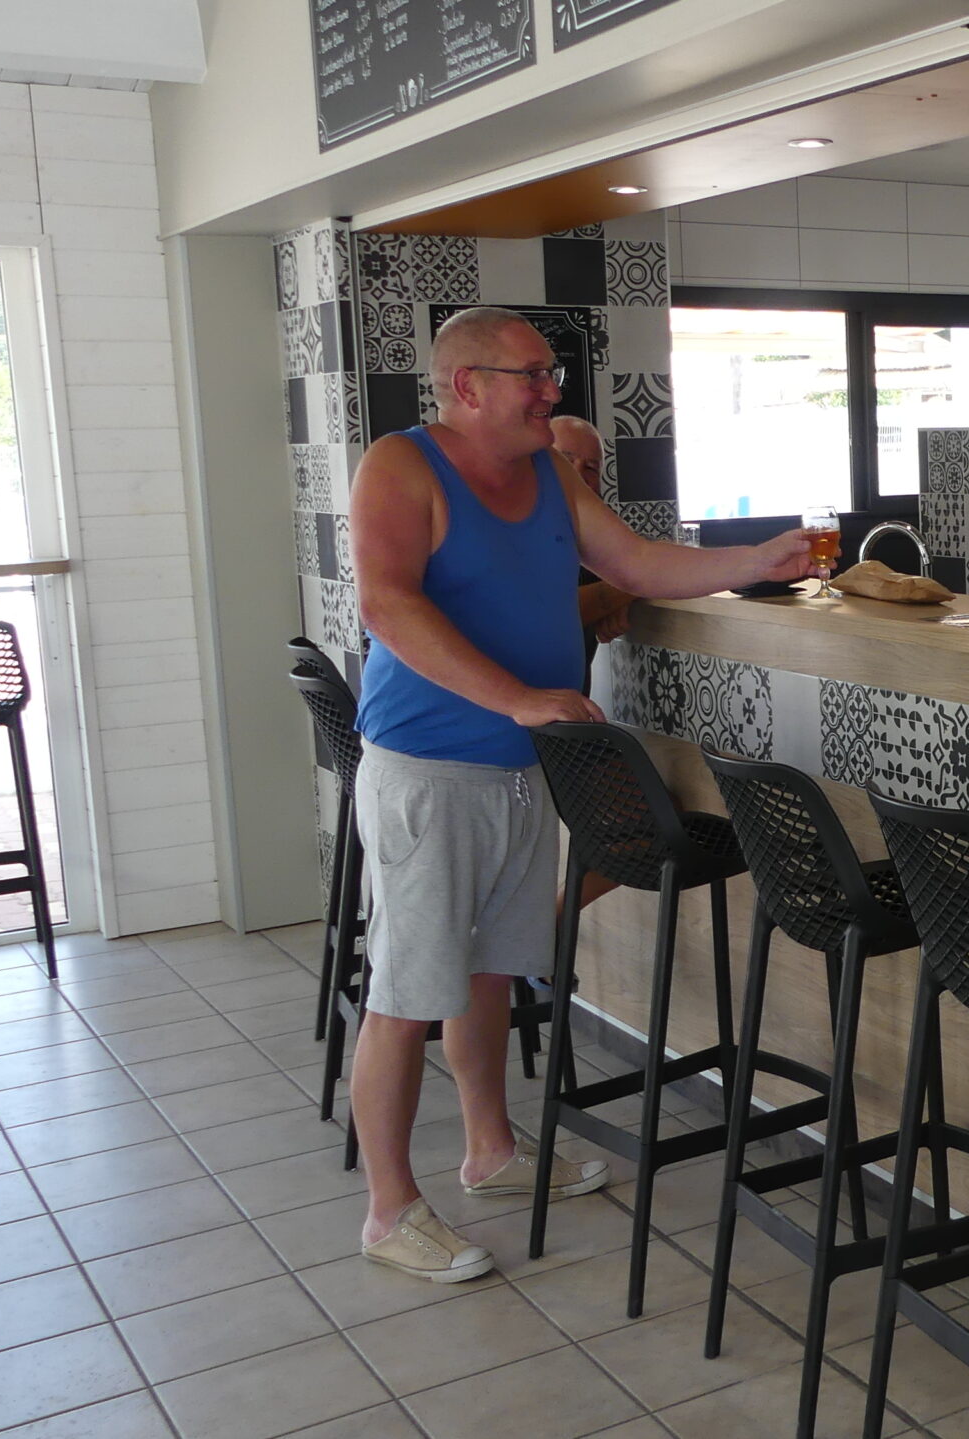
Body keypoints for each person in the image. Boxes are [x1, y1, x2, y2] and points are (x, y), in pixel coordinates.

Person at [347, 306, 810, 1282]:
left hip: (523, 767)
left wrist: (751, 562)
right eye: (532, 374)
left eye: (550, 372)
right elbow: (387, 603)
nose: (551, 389)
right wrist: (517, 697)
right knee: (407, 990)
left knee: (488, 971)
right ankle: (389, 1210)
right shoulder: (401, 465)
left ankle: (491, 1150)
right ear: (467, 385)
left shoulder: (550, 473)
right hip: (428, 770)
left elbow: (633, 562)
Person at [547, 415, 638, 656]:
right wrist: (627, 589)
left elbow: (636, 563)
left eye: (590, 468)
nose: (577, 475)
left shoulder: (593, 537)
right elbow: (548, 612)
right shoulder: (509, 527)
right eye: (564, 462)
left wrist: (623, 602)